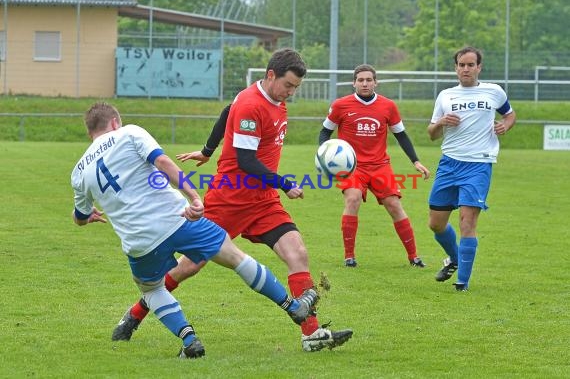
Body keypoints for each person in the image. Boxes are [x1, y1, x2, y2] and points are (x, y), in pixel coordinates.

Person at [111, 48, 353, 352]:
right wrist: (285, 183)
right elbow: (246, 160)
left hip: (263, 201)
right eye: (288, 85)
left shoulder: (270, 99)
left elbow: (227, 110)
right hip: (230, 198)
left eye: (295, 87)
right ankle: (134, 315)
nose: (291, 93)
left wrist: (207, 150)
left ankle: (311, 335)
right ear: (270, 76)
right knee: (187, 267)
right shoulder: (253, 104)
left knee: (298, 253)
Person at [71, 102, 319, 358]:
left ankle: (189, 340)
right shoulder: (129, 132)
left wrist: (87, 216)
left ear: (90, 132)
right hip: (177, 219)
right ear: (114, 123)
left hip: (139, 241)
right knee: (234, 256)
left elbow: (80, 217)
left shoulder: (79, 171)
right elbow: (164, 162)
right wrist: (193, 196)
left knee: (152, 289)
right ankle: (292, 306)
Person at [318, 64, 430, 268]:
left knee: (394, 205)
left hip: (380, 166)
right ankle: (349, 257)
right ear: (354, 83)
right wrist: (324, 154)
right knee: (353, 199)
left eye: (369, 80)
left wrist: (416, 161)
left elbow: (401, 135)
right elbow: (325, 132)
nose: (365, 83)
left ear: (375, 82)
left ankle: (414, 257)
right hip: (352, 167)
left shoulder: (388, 106)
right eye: (360, 80)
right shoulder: (341, 105)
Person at [427, 46, 516, 291]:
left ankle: (462, 283)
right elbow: (432, 134)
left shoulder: (494, 91)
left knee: (468, 222)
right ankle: (455, 258)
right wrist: (442, 122)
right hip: (449, 163)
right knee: (435, 223)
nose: (466, 69)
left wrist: (505, 126)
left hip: (478, 164)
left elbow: (509, 114)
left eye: (470, 65)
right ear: (456, 68)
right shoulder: (445, 96)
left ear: (479, 67)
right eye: (461, 65)